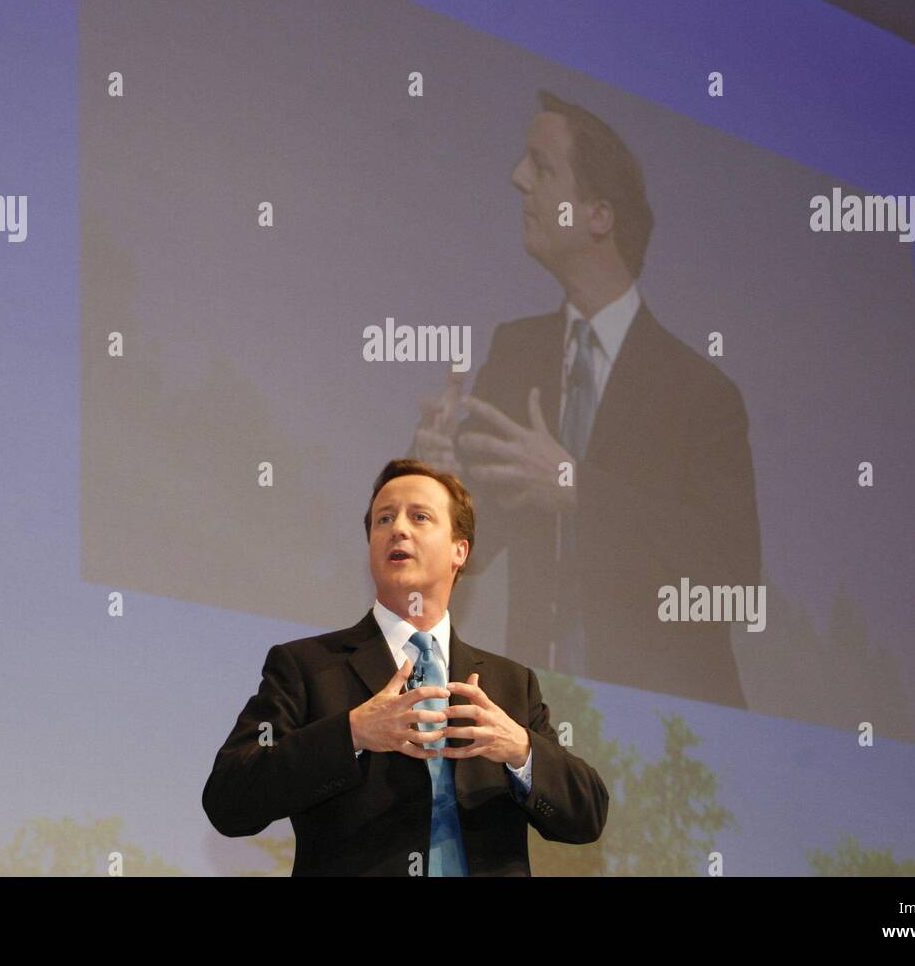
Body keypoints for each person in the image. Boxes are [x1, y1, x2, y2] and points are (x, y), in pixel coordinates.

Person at [411, 90, 760, 708]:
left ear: (599, 216)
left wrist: (576, 487)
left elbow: (730, 576)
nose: (518, 180)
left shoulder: (702, 394)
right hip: (534, 731)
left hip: (672, 739)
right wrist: (431, 491)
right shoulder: (515, 353)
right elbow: (472, 554)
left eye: (542, 169)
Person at [202, 458, 609, 876]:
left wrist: (521, 750)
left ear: (459, 550)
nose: (398, 528)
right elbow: (229, 801)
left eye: (420, 517)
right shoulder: (307, 667)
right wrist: (353, 732)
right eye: (383, 519)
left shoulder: (511, 684)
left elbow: (587, 816)